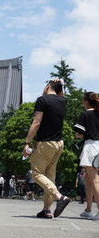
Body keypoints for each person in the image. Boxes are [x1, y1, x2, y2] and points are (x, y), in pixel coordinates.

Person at [23, 79, 70, 219]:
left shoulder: (42, 100)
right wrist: (60, 84)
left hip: (45, 143)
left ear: (48, 86)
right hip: (59, 144)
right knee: (49, 177)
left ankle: (59, 197)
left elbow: (36, 123)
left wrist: (27, 142)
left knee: (36, 175)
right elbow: (59, 95)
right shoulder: (63, 101)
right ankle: (46, 210)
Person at [74, 91, 99, 220]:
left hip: (91, 148)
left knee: (95, 180)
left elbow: (80, 134)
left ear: (86, 102)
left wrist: (77, 136)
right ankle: (88, 209)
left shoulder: (85, 114)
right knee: (89, 180)